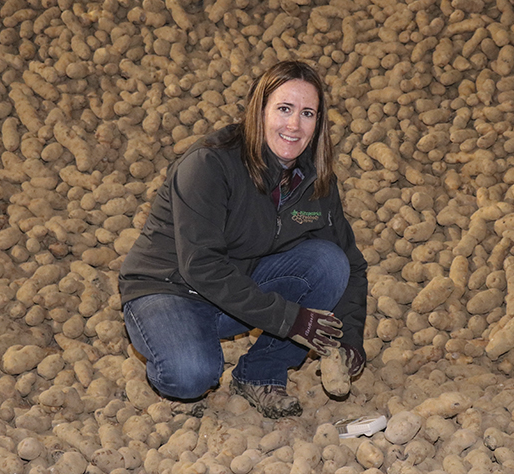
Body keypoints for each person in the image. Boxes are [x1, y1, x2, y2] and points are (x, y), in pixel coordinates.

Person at [118, 61, 368, 419]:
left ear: (318, 124)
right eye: (284, 109)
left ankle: (261, 374)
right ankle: (175, 341)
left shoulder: (315, 180)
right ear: (259, 110)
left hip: (234, 293)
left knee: (328, 262)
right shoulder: (210, 164)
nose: (294, 125)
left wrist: (350, 342)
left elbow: (352, 263)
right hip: (168, 289)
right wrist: (291, 320)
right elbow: (200, 265)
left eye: (307, 113)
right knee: (191, 375)